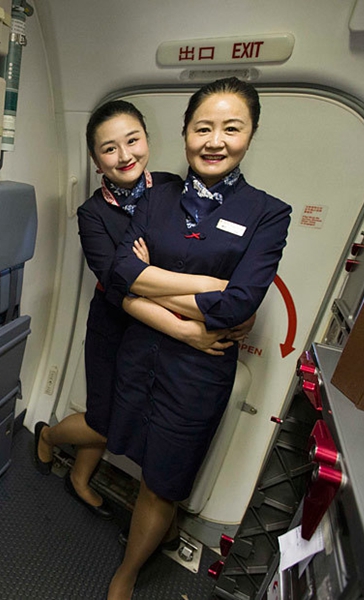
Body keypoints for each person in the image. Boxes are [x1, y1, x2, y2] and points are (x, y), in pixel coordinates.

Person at [104, 78, 292, 600]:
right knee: (134, 451)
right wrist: (206, 287)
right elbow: (120, 272)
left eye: (231, 129)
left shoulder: (267, 213)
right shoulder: (157, 195)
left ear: (250, 136)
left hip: (199, 372)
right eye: (203, 127)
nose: (215, 141)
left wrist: (151, 282)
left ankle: (128, 571)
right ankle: (150, 535)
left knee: (166, 478)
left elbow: (239, 305)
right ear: (185, 132)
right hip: (141, 354)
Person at [34, 101, 244, 520]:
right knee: (103, 420)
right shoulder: (92, 213)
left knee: (124, 420)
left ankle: (79, 475)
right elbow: (117, 283)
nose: (125, 155)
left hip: (156, 330)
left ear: (147, 140)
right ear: (96, 160)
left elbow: (183, 256)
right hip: (115, 326)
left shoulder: (171, 186)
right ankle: (49, 437)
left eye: (132, 140)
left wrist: (146, 273)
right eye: (109, 149)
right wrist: (190, 300)